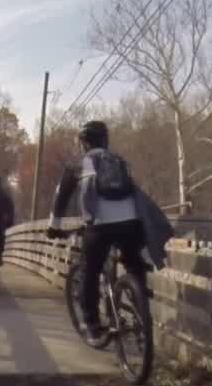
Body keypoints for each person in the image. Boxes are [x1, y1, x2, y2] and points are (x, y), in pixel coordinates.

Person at [50, 119, 148, 342]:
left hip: (99, 226)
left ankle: (93, 325)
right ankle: (142, 316)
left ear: (84, 143)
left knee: (89, 271)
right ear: (106, 140)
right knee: (134, 267)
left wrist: (53, 227)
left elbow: (61, 199)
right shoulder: (120, 162)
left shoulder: (78, 165)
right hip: (131, 224)